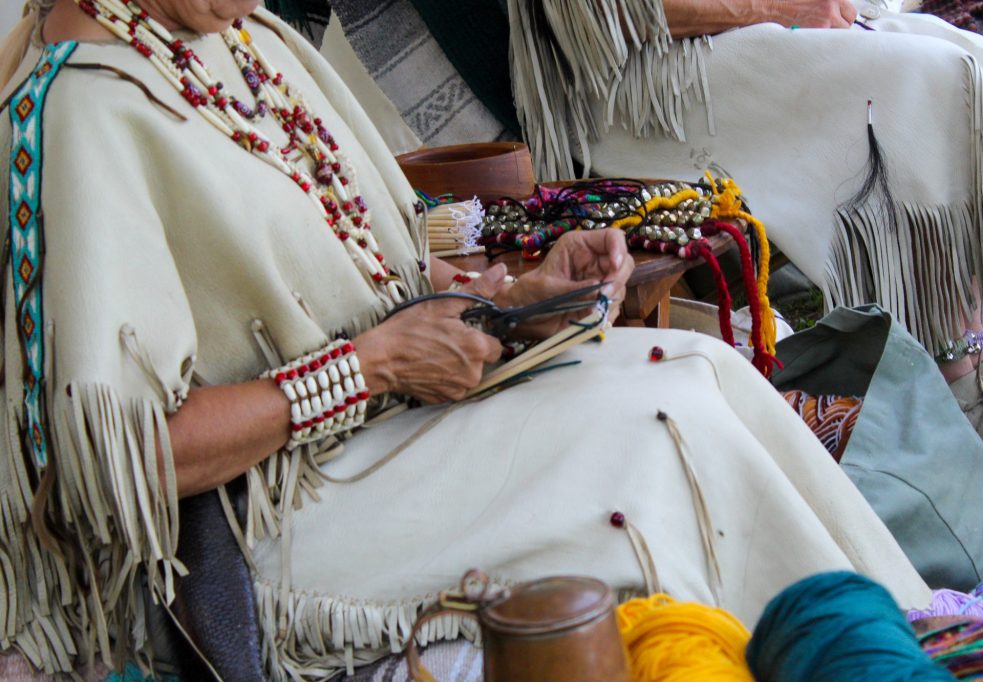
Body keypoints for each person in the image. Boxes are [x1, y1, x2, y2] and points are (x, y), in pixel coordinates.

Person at [0, 0, 935, 679]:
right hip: (255, 523)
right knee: (650, 437)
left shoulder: (241, 37)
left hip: (369, 429)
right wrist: (368, 368)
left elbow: (356, 274)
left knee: (696, 368)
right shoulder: (79, 110)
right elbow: (127, 461)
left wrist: (513, 293)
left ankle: (900, 647)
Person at [506, 0, 983, 457]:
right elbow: (604, 17)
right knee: (929, 79)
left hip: (739, 32)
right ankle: (959, 391)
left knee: (973, 59)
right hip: (641, 78)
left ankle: (963, 367)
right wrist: (776, 7)